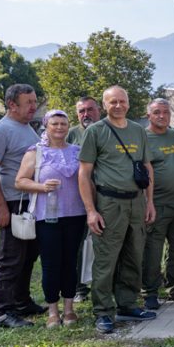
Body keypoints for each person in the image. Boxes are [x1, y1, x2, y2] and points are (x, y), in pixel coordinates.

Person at [78, 86, 157, 334]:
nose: (118, 106)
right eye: (113, 102)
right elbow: (84, 173)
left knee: (134, 255)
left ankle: (128, 304)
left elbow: (147, 168)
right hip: (109, 203)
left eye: (122, 101)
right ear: (104, 105)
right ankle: (103, 311)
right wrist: (91, 211)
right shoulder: (95, 132)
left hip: (136, 202)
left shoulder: (137, 131)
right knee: (106, 259)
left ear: (128, 103)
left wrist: (149, 201)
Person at [0, 84, 45, 328]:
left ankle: (21, 301)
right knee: (10, 257)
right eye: (28, 102)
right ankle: (3, 312)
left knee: (28, 255)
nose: (33, 106)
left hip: (30, 201)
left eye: (34, 101)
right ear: (12, 104)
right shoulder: (2, 130)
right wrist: (0, 207)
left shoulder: (27, 127)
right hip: (12, 201)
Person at [15, 109, 85, 328]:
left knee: (70, 262)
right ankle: (53, 311)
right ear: (46, 126)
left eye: (63, 124)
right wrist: (42, 187)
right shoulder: (36, 152)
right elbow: (20, 181)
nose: (59, 127)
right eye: (54, 123)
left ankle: (70, 309)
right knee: (51, 264)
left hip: (76, 215)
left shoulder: (77, 151)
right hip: (47, 217)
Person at [141, 99, 174, 310]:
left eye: (165, 112)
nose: (161, 116)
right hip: (157, 205)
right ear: (149, 115)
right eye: (156, 112)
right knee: (153, 251)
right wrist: (148, 202)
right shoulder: (143, 137)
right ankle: (150, 292)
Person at [66, 96, 101, 303]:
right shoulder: (71, 134)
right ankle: (80, 287)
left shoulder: (107, 130)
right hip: (80, 197)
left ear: (99, 110)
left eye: (90, 109)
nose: (86, 114)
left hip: (107, 195)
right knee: (79, 244)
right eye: (81, 111)